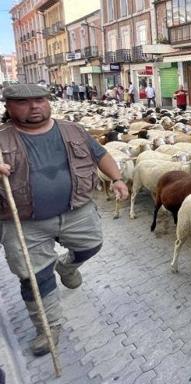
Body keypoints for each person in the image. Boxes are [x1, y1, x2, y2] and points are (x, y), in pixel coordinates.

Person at [0, 84, 129, 356]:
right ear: (8, 106)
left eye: (40, 100)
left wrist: (117, 179)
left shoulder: (73, 130)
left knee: (92, 245)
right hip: (23, 222)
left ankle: (67, 266)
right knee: (35, 276)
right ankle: (48, 328)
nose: (34, 106)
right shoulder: (1, 139)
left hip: (76, 210)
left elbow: (100, 154)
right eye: (24, 102)